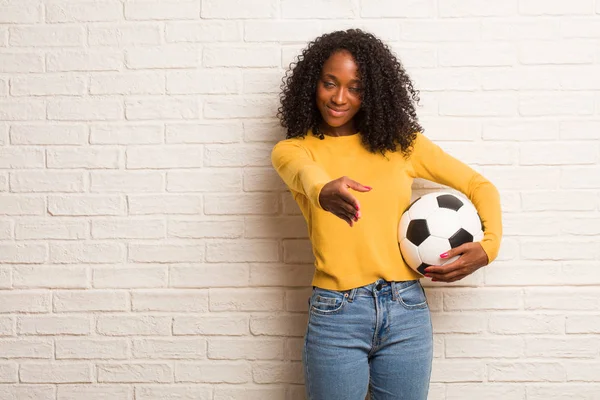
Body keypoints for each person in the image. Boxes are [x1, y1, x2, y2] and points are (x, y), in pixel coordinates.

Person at [271, 29, 502, 400]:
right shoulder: (294, 150)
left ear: (373, 92)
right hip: (336, 313)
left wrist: (488, 248)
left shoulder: (401, 145)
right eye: (329, 83)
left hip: (406, 309)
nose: (339, 97)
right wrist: (323, 190)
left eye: (355, 87)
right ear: (312, 84)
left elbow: (479, 185)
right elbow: (306, 175)